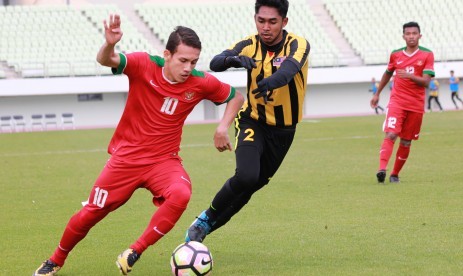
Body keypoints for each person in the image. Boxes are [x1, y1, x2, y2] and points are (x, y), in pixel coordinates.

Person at [33, 14, 244, 276]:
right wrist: (110, 44)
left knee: (181, 194)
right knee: (91, 214)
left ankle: (135, 251)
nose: (189, 67)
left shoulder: (200, 83)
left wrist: (223, 126)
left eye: (193, 61)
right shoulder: (143, 64)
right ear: (167, 54)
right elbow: (106, 60)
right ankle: (54, 260)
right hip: (126, 160)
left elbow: (236, 96)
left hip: (164, 162)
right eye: (183, 60)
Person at [185, 0, 310, 243]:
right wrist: (233, 60)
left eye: (272, 21)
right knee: (247, 176)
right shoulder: (249, 44)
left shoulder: (298, 44)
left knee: (252, 186)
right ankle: (203, 220)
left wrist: (271, 82)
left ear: (284, 22)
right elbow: (215, 62)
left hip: (285, 131)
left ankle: (207, 229)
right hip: (253, 120)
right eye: (261, 20)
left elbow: (289, 70)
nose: (266, 27)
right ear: (255, 20)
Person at [370, 21, 434, 184]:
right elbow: (387, 73)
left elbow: (426, 82)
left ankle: (395, 174)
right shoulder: (396, 54)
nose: (411, 36)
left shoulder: (427, 54)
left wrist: (410, 76)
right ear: (403, 36)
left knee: (406, 141)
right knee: (391, 134)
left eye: (414, 33)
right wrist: (377, 94)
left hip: (416, 105)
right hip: (397, 102)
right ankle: (382, 169)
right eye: (408, 34)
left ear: (420, 36)